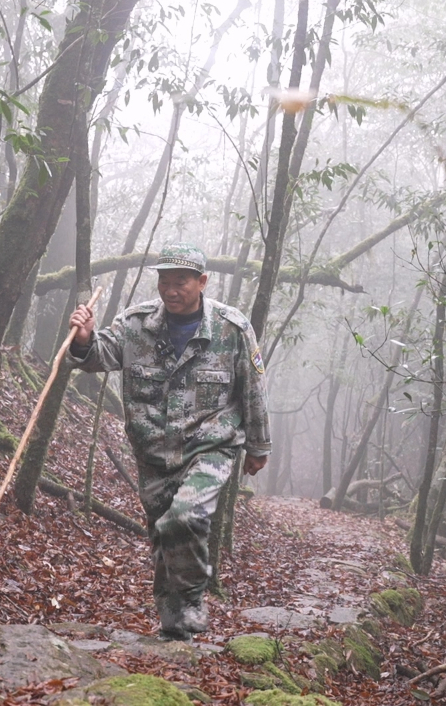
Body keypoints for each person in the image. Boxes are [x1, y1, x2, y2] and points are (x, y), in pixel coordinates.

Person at [67, 243, 271, 641]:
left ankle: (194, 598)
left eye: (181, 282)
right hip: (154, 452)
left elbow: (254, 390)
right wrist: (84, 337)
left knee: (186, 517)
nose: (171, 290)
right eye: (165, 282)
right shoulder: (136, 323)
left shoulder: (232, 329)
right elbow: (98, 357)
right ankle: (173, 627)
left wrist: (258, 446)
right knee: (163, 535)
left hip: (210, 445)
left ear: (202, 282)